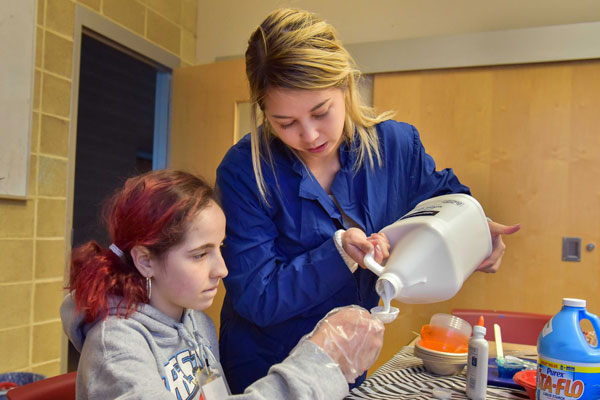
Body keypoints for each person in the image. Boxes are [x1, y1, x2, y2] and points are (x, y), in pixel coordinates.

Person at [215, 7, 521, 394]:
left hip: (349, 361)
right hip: (266, 371)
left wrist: (476, 231)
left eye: (320, 112)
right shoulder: (245, 171)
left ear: (345, 85)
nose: (309, 136)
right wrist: (339, 252)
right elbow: (258, 296)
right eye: (285, 123)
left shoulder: (395, 148)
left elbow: (447, 201)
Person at [60, 169, 385, 399]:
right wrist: (317, 364)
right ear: (145, 260)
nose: (223, 270)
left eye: (220, 248)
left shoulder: (196, 322)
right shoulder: (114, 346)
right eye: (201, 254)